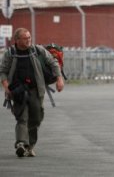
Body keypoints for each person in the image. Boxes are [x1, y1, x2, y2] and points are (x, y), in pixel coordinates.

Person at [0, 28, 65, 157]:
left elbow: (53, 62)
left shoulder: (37, 50)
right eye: (25, 38)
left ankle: (29, 146)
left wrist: (59, 79)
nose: (29, 40)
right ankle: (21, 143)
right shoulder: (10, 53)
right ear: (17, 40)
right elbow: (3, 71)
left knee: (36, 117)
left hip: (35, 90)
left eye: (29, 37)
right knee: (22, 118)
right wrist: (6, 87)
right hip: (17, 91)